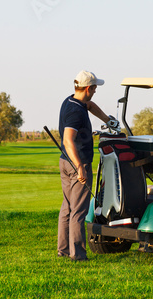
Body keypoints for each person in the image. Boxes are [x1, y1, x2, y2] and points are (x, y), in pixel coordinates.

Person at [57, 70, 118, 261]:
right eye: (95, 88)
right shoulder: (75, 111)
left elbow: (90, 105)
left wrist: (108, 121)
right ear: (89, 88)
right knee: (79, 211)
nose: (95, 92)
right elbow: (68, 140)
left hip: (64, 162)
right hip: (77, 163)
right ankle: (78, 255)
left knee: (67, 208)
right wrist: (81, 167)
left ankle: (64, 250)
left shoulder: (71, 100)